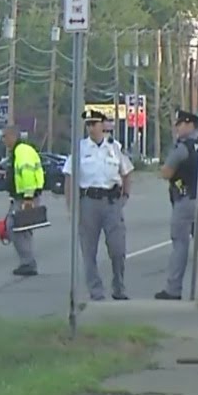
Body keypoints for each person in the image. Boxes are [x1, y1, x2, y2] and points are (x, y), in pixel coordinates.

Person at [63, 110, 133, 300]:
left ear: (103, 125)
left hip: (111, 202)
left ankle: (119, 288)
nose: (91, 128)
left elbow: (126, 172)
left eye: (94, 123)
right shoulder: (79, 148)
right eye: (88, 124)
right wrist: (71, 206)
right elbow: (69, 177)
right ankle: (96, 291)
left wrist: (125, 196)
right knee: (88, 250)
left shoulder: (115, 147)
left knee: (118, 249)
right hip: (88, 202)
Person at [155, 109, 198, 300]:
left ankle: (173, 289)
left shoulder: (184, 147)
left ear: (190, 124)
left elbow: (166, 172)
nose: (177, 128)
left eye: (180, 124)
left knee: (180, 245)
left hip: (185, 201)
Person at [2, 124, 45, 277]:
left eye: (5, 136)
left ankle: (28, 263)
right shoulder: (20, 151)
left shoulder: (22, 151)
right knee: (22, 230)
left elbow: (27, 174)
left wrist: (28, 197)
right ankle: (27, 262)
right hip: (22, 197)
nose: (3, 140)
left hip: (26, 197)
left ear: (13, 136)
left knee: (16, 228)